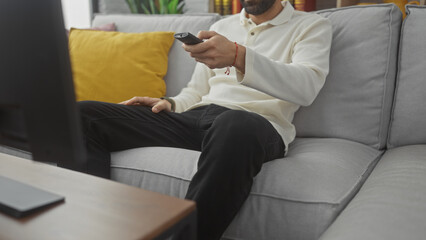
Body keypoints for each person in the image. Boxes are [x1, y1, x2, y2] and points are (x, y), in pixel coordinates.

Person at [78, 0, 332, 239]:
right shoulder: (222, 27)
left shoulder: (310, 25)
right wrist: (171, 103)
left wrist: (237, 55)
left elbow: (306, 87)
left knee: (235, 123)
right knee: (83, 114)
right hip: (197, 118)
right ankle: (93, 228)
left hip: (254, 124)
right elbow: (196, 90)